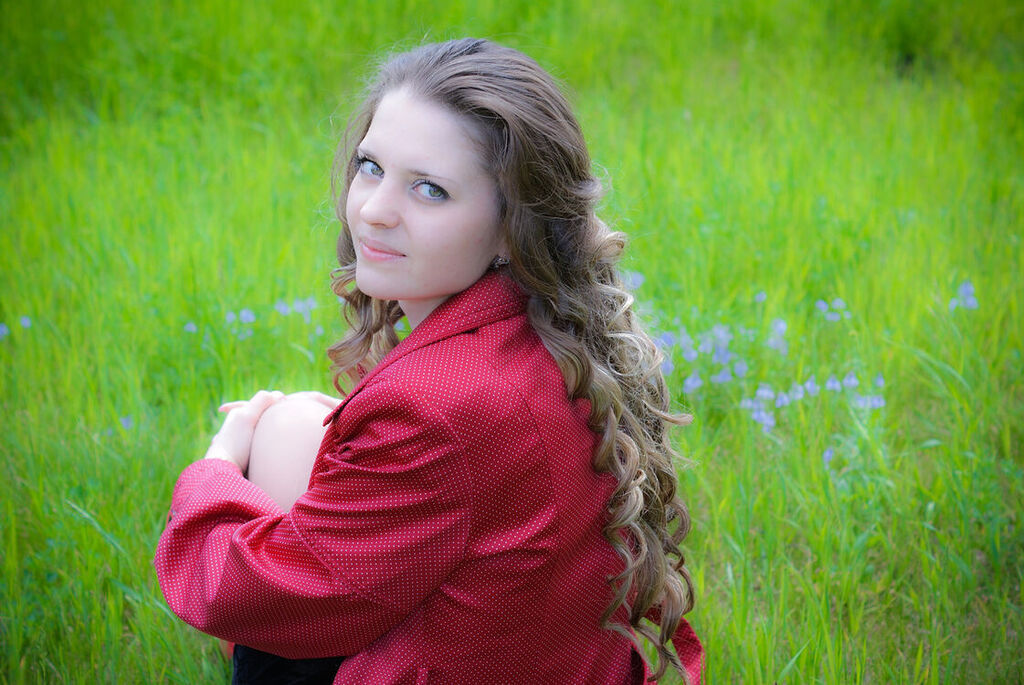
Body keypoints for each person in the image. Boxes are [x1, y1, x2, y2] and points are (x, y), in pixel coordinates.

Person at [155, 37, 704, 684]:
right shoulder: (549, 329)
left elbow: (254, 591)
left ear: (510, 226)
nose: (374, 210)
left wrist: (219, 463)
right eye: (370, 166)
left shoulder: (438, 405)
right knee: (299, 422)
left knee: (276, 441)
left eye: (430, 190)